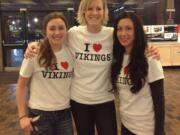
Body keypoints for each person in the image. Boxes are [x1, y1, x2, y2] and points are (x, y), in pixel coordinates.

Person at [24, 0, 160, 135]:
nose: (94, 13)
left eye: (98, 9)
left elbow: (132, 40)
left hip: (105, 100)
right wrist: (35, 44)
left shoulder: (112, 34)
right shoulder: (73, 34)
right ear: (83, 11)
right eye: (89, 9)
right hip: (79, 101)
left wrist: (149, 48)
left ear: (104, 11)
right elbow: (54, 38)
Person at [16, 12, 74, 135]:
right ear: (45, 31)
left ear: (66, 30)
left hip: (64, 113)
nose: (57, 32)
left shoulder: (71, 52)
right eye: (52, 28)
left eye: (61, 28)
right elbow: (21, 86)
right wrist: (22, 116)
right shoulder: (35, 53)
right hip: (39, 114)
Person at [111, 12, 165, 135]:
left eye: (128, 29)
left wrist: (160, 131)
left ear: (137, 32)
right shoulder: (118, 58)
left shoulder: (150, 58)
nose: (123, 33)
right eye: (119, 29)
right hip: (126, 125)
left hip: (146, 129)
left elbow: (159, 101)